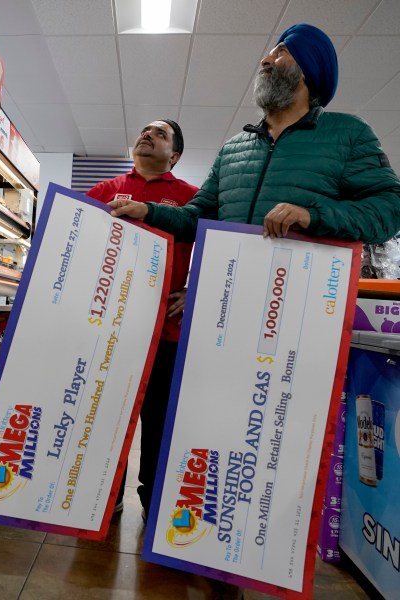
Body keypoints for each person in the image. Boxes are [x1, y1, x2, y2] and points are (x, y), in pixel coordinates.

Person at [107, 23, 400, 247]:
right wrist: (148, 210)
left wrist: (311, 215)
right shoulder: (233, 149)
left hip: (301, 302)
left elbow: (390, 210)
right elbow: (198, 218)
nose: (265, 60)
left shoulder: (347, 134)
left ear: (307, 69)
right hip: (227, 296)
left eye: (281, 51)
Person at [87, 119, 199, 520]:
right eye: (145, 130)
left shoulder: (193, 199)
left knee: (158, 423)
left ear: (176, 155)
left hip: (167, 334)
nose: (148, 134)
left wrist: (195, 289)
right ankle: (105, 494)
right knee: (107, 415)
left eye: (161, 134)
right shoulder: (105, 191)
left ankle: (153, 501)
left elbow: (219, 249)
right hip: (113, 331)